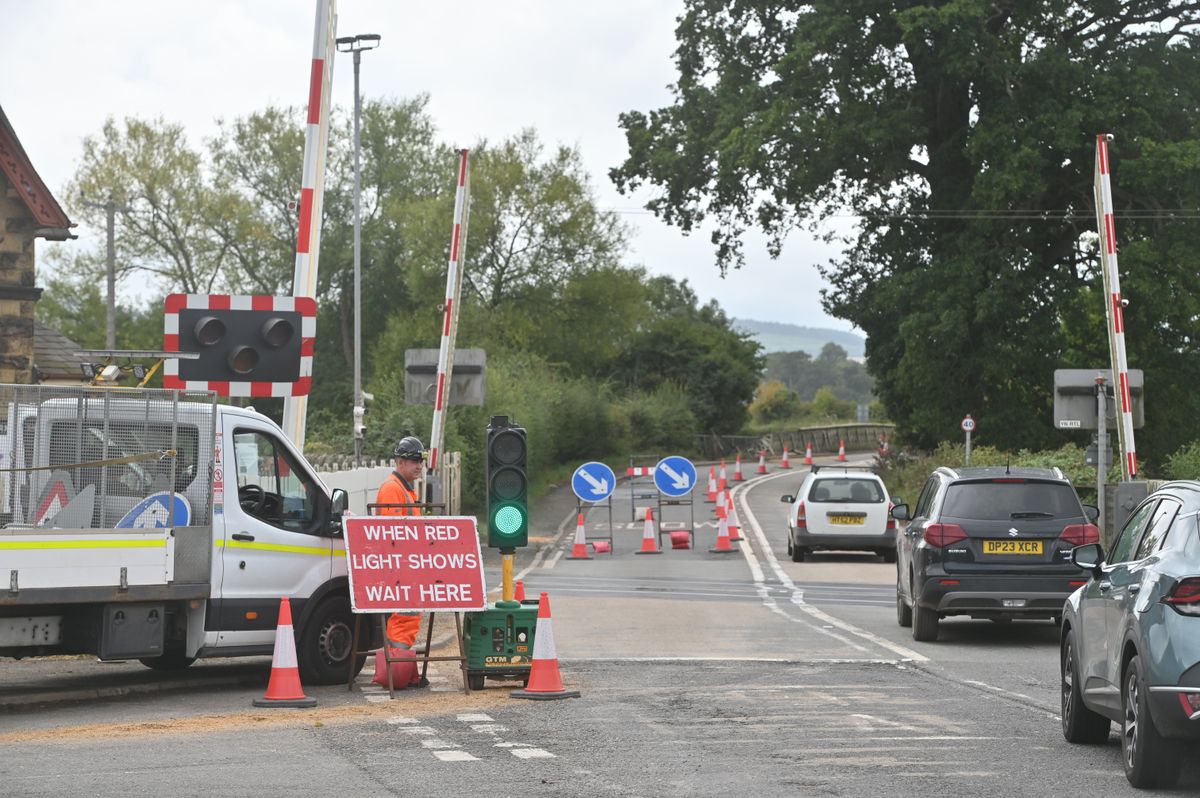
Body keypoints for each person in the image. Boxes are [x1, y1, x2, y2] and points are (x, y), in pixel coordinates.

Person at [373, 436, 427, 687]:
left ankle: (406, 671)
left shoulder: (405, 489)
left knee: (408, 618)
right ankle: (395, 671)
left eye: (421, 461)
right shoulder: (392, 488)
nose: (419, 465)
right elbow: (392, 532)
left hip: (407, 567)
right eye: (414, 460)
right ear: (400, 461)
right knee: (403, 618)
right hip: (400, 568)